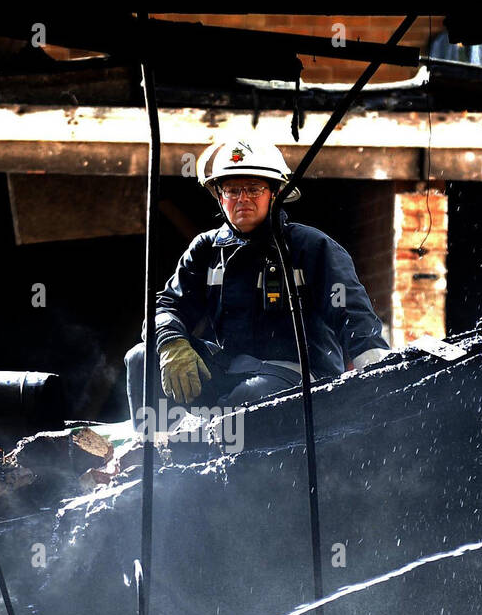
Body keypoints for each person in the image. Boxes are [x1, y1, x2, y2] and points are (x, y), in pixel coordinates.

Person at [125, 137, 391, 426]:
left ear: (275, 193)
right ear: (219, 195)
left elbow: (354, 315)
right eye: (232, 190)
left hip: (301, 378)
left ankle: (216, 446)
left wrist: (381, 385)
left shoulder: (310, 247)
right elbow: (167, 306)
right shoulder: (207, 250)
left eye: (254, 189)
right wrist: (172, 342)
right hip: (232, 368)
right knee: (142, 358)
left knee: (246, 400)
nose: (243, 199)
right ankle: (161, 457)